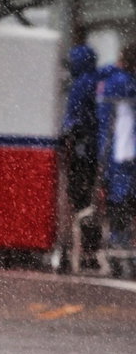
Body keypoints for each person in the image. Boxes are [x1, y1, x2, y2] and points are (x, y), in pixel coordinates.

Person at [61, 44, 103, 272]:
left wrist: (67, 136)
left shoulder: (80, 85)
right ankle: (91, 251)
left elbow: (73, 120)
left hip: (81, 153)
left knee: (80, 200)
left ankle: (80, 250)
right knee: (92, 202)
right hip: (97, 152)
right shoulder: (99, 80)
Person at [99, 45, 136, 275]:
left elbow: (105, 126)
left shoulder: (113, 82)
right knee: (125, 204)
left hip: (119, 156)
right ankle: (122, 250)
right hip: (126, 155)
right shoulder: (126, 84)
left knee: (118, 204)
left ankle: (118, 248)